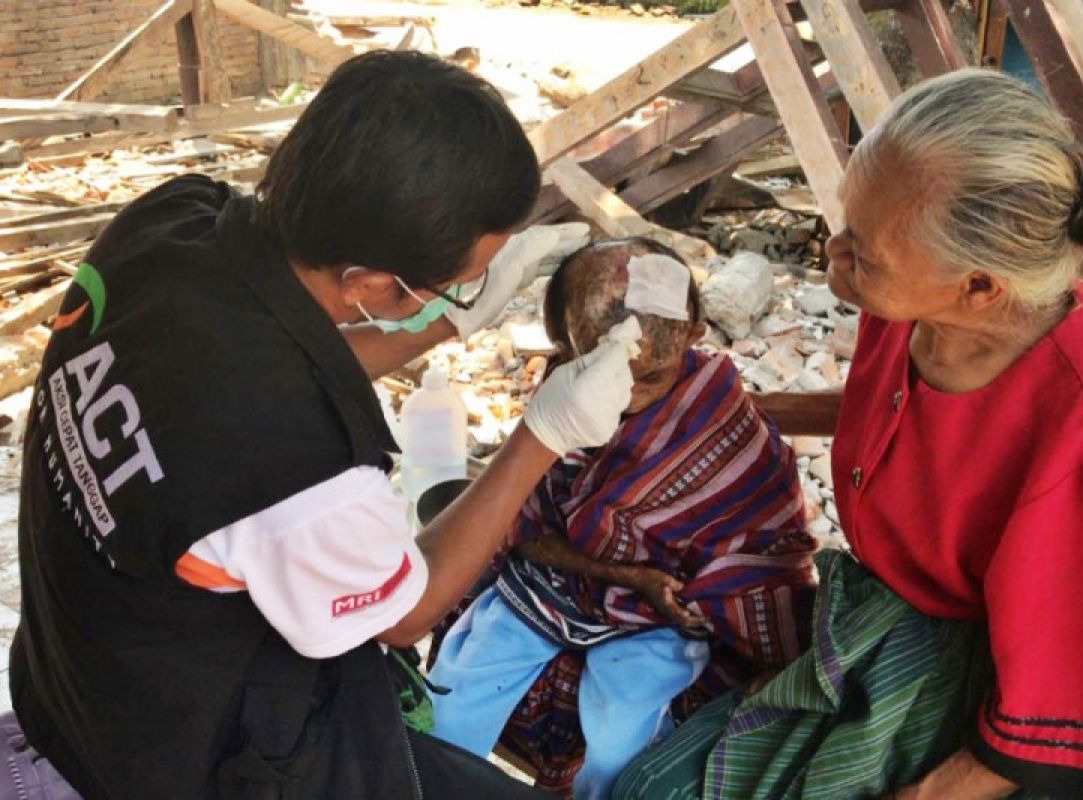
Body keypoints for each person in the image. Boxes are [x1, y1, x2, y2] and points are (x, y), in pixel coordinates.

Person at [7, 51, 640, 799]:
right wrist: (544, 431)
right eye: (457, 280)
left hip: (72, 675)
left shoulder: (171, 222)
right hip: (173, 754)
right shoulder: (303, 473)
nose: (466, 290)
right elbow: (404, 613)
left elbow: (266, 354)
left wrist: (442, 323)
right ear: (373, 285)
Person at [615, 68, 1083, 800]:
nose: (834, 255)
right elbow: (888, 413)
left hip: (1027, 697)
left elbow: (1059, 704)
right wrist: (713, 405)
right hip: (897, 612)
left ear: (979, 286)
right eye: (846, 224)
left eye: (863, 254)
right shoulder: (918, 305)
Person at [426, 238, 818, 798]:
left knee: (619, 747)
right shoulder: (564, 398)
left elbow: (763, 570)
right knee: (452, 708)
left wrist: (663, 596)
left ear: (692, 334)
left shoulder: (731, 434)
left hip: (654, 620)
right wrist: (629, 576)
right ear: (562, 345)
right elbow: (524, 532)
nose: (625, 397)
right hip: (551, 588)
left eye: (651, 377)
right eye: (598, 367)